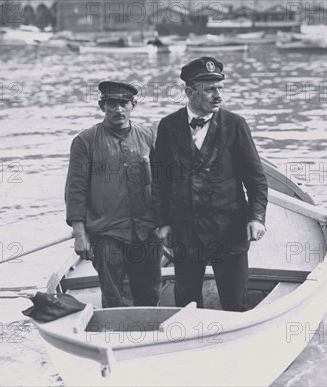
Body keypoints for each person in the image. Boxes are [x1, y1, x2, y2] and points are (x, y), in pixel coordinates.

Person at [152, 57, 268, 312]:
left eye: (220, 88)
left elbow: (255, 178)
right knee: (187, 303)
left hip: (229, 230)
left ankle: (235, 349)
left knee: (235, 303)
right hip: (185, 233)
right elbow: (159, 180)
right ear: (190, 91)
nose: (218, 95)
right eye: (210, 89)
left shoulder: (235, 124)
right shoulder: (168, 126)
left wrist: (257, 217)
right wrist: (162, 223)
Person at [65, 81, 162, 308]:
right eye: (112, 104)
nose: (118, 109)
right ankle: (114, 336)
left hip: (146, 230)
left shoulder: (148, 136)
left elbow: (162, 185)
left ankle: (148, 337)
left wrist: (165, 224)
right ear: (102, 106)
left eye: (123, 103)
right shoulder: (84, 142)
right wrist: (79, 233)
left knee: (149, 292)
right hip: (106, 232)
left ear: (133, 105)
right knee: (113, 297)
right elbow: (75, 190)